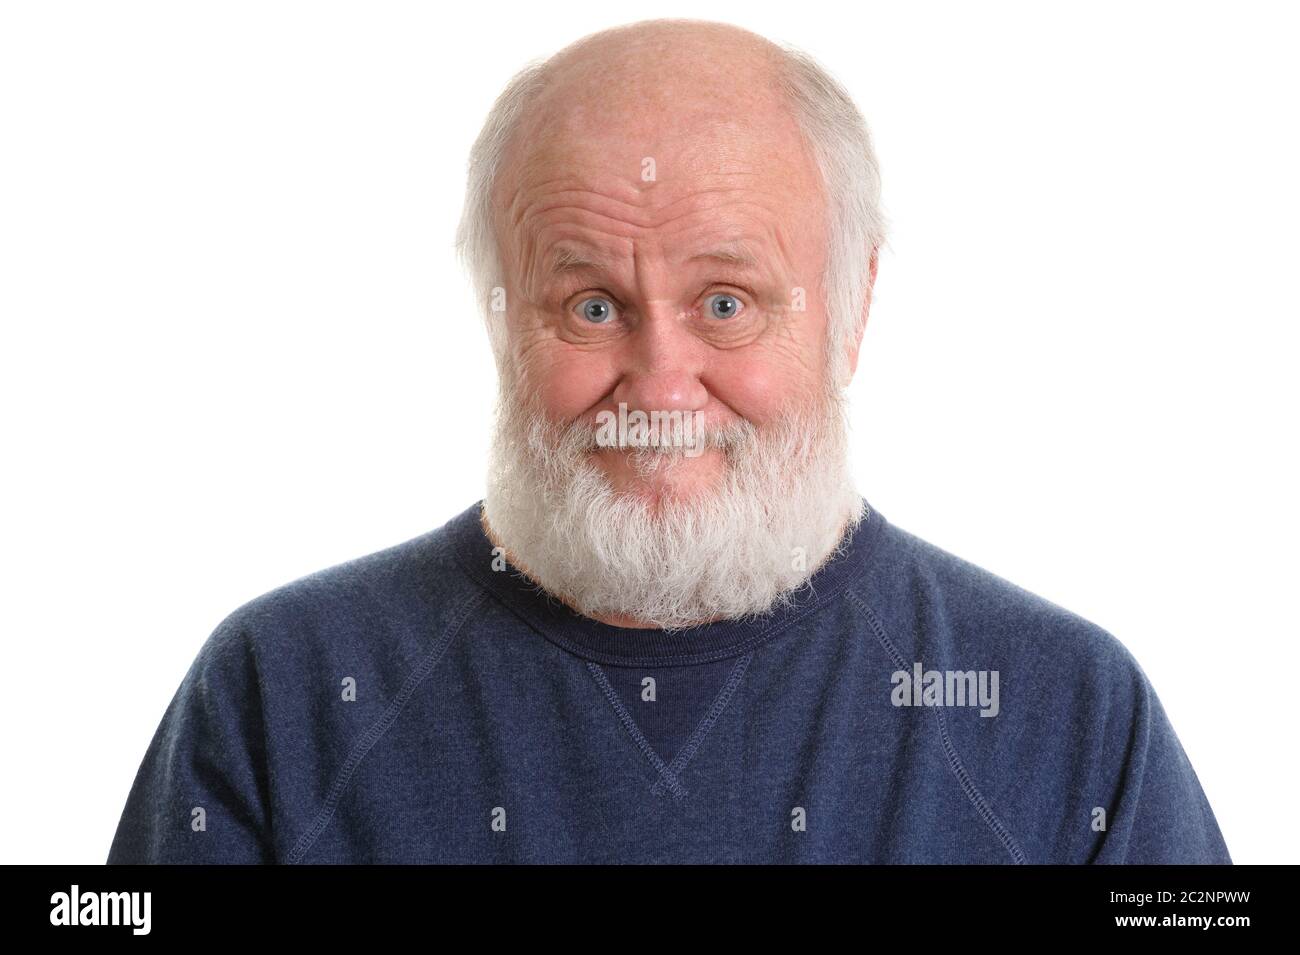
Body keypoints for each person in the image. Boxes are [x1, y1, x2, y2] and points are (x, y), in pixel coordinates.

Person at [108, 18, 1230, 864]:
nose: (658, 380)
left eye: (728, 302)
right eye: (590, 305)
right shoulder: (278, 691)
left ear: (853, 309)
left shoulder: (1071, 711)